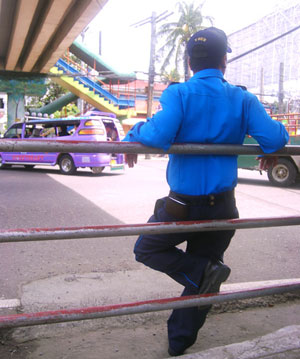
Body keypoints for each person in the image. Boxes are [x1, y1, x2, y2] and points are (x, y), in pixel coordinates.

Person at [123, 27, 289, 356]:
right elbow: (275, 138)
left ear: (189, 62)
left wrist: (132, 133)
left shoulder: (179, 94)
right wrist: (269, 147)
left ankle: (203, 274)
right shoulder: (243, 99)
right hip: (224, 207)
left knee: (148, 250)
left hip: (182, 206)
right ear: (224, 60)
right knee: (206, 270)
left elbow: (157, 136)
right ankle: (180, 340)